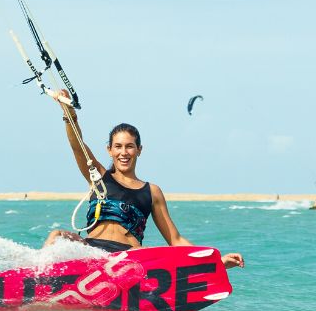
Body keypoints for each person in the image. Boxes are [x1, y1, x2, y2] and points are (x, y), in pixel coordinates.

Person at [43, 90, 245, 269]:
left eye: (130, 146)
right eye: (118, 146)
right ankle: (36, 276)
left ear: (139, 150)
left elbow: (175, 239)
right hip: (92, 251)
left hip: (128, 256)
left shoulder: (152, 192)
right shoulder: (99, 177)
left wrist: (216, 261)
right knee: (57, 236)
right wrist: (70, 115)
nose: (124, 152)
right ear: (110, 150)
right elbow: (78, 145)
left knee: (153, 253)